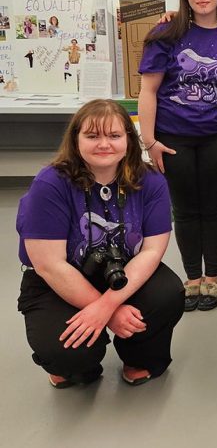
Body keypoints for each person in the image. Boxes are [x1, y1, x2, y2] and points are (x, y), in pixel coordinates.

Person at [16, 100, 184, 388]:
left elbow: (153, 250)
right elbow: (49, 265)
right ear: (76, 139)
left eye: (114, 136)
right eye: (93, 136)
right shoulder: (51, 183)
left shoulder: (151, 181)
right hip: (59, 279)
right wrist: (110, 311)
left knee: (167, 294)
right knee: (68, 353)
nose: (104, 144)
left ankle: (139, 356)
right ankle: (71, 366)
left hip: (119, 272)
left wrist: (108, 305)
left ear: (128, 140)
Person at [138, 0, 217, 312]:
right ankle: (191, 277)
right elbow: (148, 90)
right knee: (184, 210)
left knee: (214, 206)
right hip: (173, 137)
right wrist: (149, 141)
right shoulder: (167, 33)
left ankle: (212, 277)